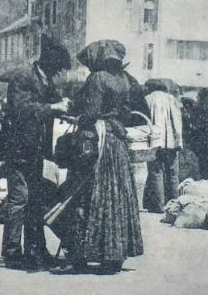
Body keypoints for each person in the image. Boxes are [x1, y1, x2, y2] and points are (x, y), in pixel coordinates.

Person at [56, 40, 148, 274]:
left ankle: (82, 254)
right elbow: (127, 112)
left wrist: (74, 117)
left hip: (99, 139)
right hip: (117, 142)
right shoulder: (123, 80)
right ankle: (113, 256)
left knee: (87, 193)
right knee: (117, 196)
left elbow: (91, 112)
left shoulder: (97, 78)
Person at [0, 35, 72, 271]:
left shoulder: (44, 80)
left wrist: (65, 106)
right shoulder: (23, 76)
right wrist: (52, 108)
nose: (59, 74)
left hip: (35, 150)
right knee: (19, 200)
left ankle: (36, 250)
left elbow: (53, 106)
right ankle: (12, 253)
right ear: (49, 64)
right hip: (17, 148)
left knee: (35, 201)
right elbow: (21, 109)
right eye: (58, 69)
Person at [143, 79, 185, 211]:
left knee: (156, 171)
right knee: (173, 172)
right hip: (171, 141)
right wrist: (179, 141)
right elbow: (178, 122)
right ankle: (174, 204)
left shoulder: (147, 99)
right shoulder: (172, 99)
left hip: (154, 141)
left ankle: (159, 205)